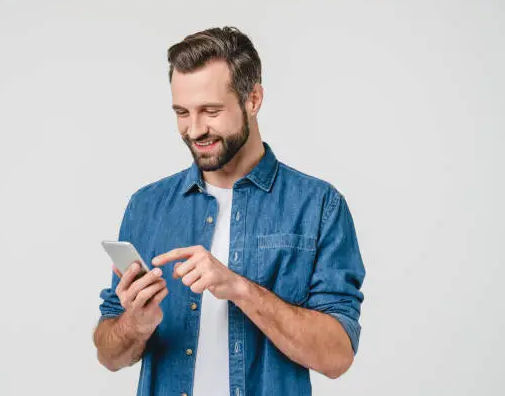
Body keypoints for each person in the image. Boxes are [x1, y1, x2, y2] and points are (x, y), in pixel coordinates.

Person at [93, 26, 366, 396]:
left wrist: (239, 288)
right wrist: (135, 324)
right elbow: (109, 356)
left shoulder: (318, 205)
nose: (194, 129)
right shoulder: (147, 206)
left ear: (253, 99)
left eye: (210, 110)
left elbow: (337, 357)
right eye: (182, 112)